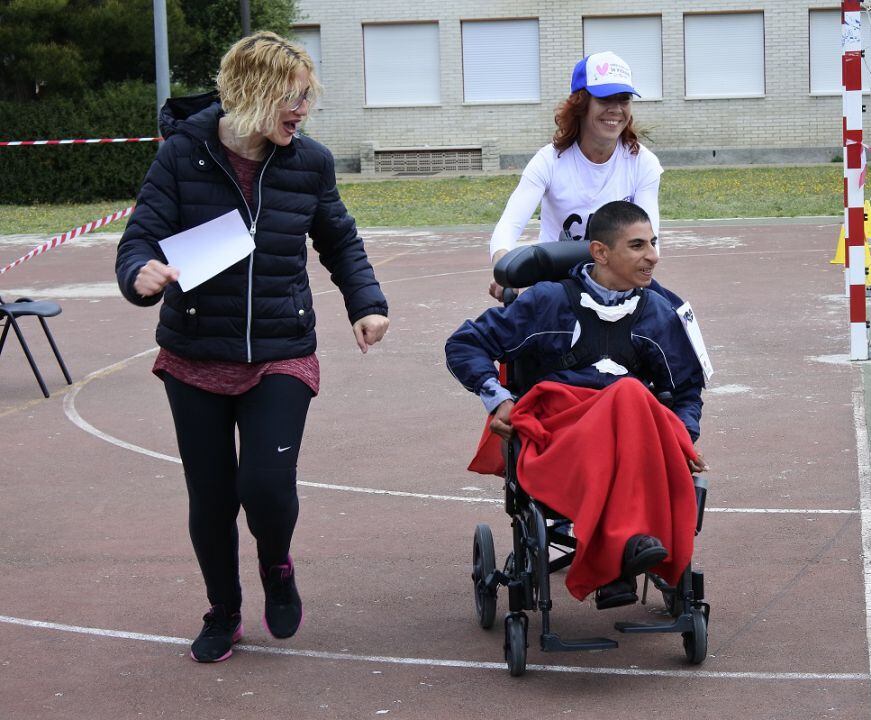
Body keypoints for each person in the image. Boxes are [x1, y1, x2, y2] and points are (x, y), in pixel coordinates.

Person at [115, 31, 389, 663]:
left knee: (265, 485)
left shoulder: (309, 162)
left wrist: (367, 304)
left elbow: (340, 241)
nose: (302, 112)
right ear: (251, 94)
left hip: (281, 348)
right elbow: (141, 238)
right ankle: (224, 609)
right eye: (292, 99)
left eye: (306, 100)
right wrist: (139, 276)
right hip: (195, 353)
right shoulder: (183, 155)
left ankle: (276, 565)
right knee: (210, 498)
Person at [447, 200, 706, 609]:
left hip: (630, 440)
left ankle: (618, 555)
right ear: (600, 252)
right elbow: (465, 344)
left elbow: (687, 390)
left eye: (653, 243)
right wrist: (497, 400)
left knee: (631, 398)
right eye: (637, 246)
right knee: (630, 392)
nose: (653, 256)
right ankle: (622, 552)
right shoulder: (547, 302)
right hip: (558, 437)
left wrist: (684, 436)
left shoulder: (659, 313)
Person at [487, 51, 666, 301]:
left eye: (624, 99)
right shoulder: (549, 161)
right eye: (604, 99)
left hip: (617, 281)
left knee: (670, 317)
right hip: (558, 283)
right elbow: (509, 225)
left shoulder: (643, 163)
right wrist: (504, 266)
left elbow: (649, 241)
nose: (616, 110)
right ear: (581, 104)